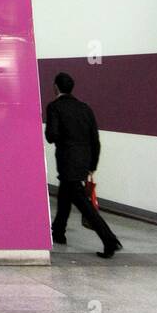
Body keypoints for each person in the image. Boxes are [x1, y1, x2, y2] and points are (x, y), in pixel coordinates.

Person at [45, 72, 122, 259]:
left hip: (67, 160)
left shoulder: (55, 107)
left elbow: (51, 136)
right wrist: (92, 164)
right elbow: (95, 139)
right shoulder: (85, 108)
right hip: (84, 160)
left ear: (56, 87)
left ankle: (109, 239)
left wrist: (61, 135)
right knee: (64, 195)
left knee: (82, 203)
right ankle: (58, 232)